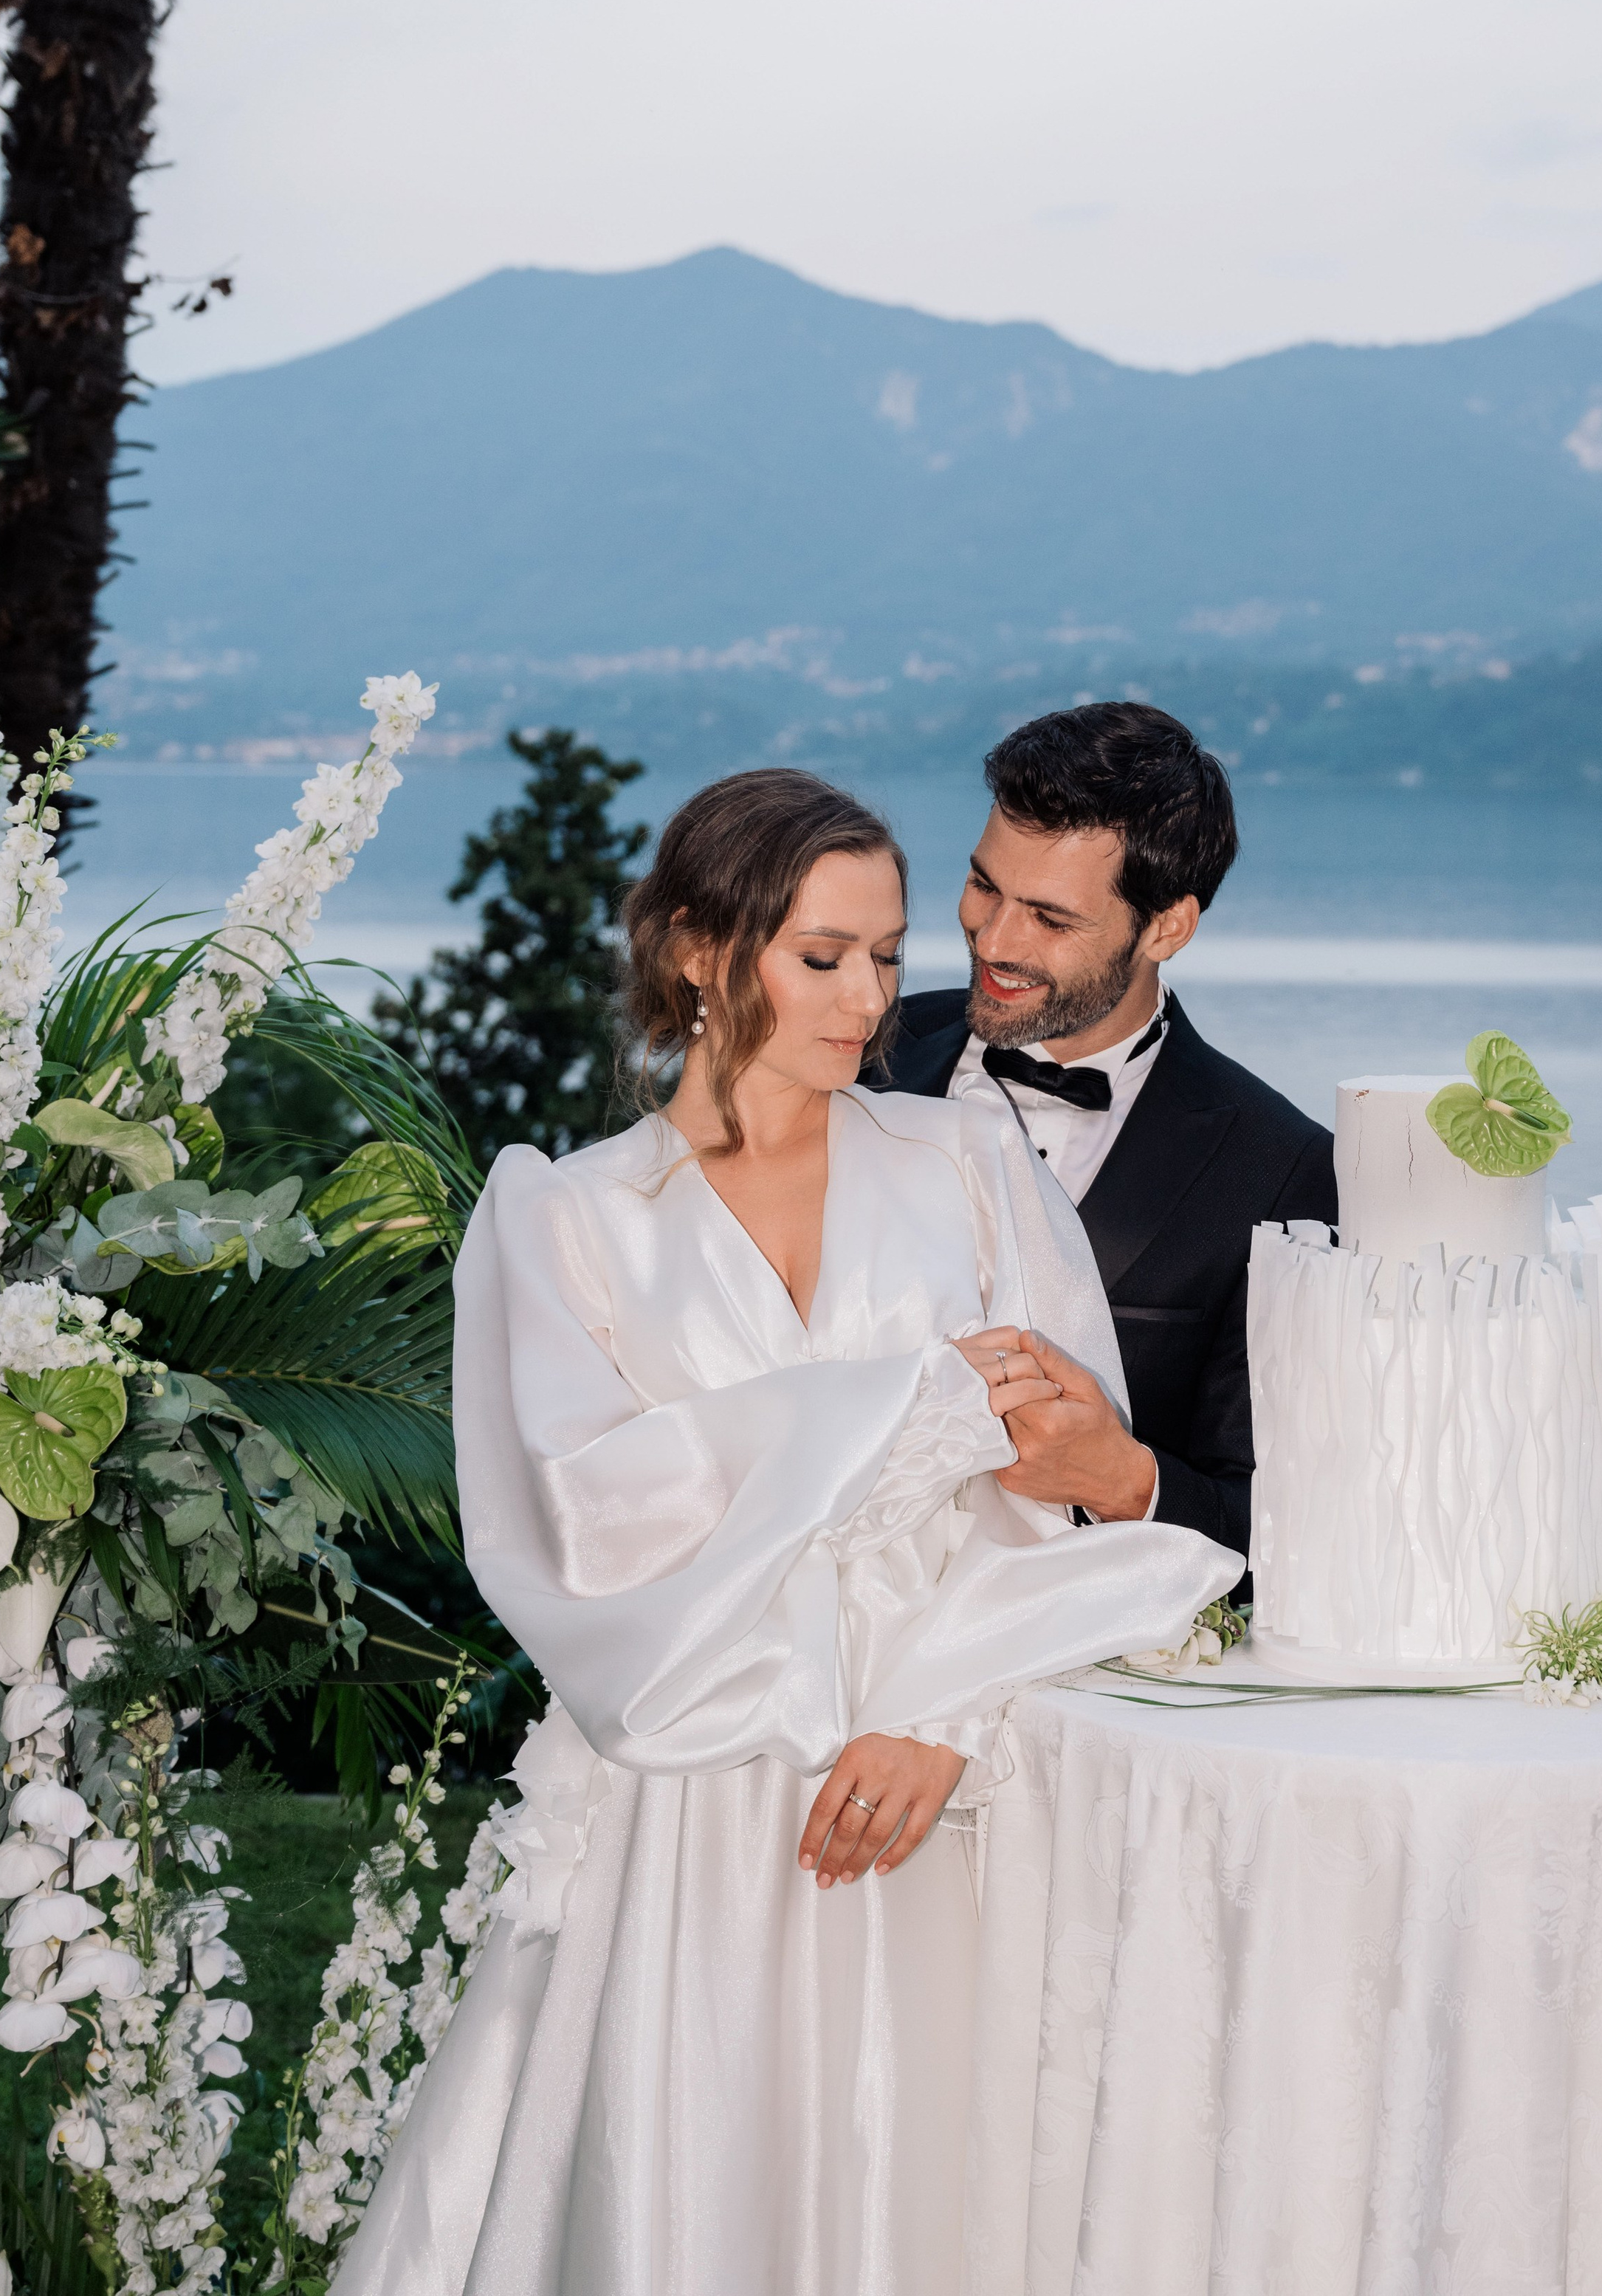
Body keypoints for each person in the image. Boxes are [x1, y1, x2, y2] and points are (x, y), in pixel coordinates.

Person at [337, 768, 1229, 2296]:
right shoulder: (565, 1223)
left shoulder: (969, 1168)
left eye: (885, 956)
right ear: (697, 950)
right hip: (700, 1803)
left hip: (944, 1785)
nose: (872, 998)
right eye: (823, 957)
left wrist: (940, 1711)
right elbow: (594, 1523)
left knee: (948, 2189)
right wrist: (921, 1405)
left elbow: (1053, 1485)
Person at [873, 702, 1336, 1557]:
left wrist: (1123, 1480)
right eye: (983, 885)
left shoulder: (1281, 1169)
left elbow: (1292, 1532)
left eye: (1050, 918)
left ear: (1168, 926)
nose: (994, 939)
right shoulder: (859, 1051)